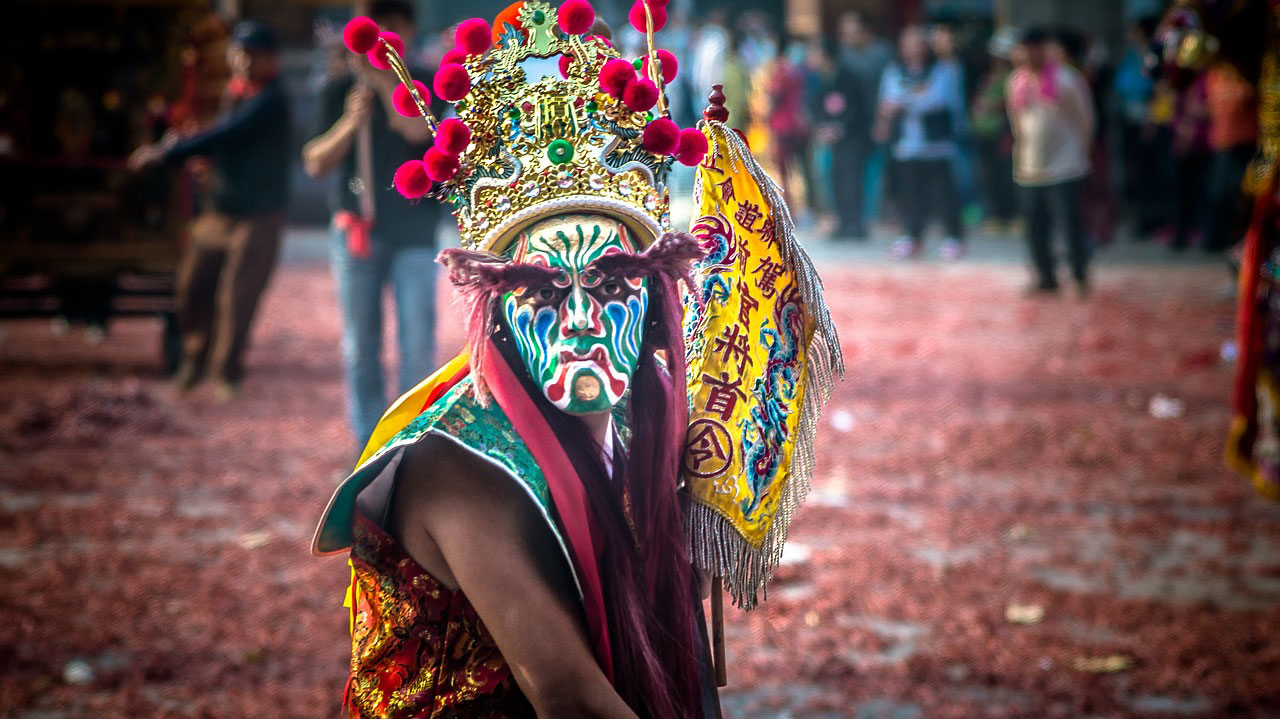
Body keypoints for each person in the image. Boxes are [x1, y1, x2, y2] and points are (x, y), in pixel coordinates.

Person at [311, 6, 838, 717]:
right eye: (547, 289)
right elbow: (569, 696)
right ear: (498, 310)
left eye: (615, 283)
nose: (584, 318)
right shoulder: (455, 467)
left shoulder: (644, 425)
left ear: (656, 307)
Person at [302, 0, 443, 450]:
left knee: (418, 343)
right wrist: (349, 121)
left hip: (415, 233)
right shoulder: (337, 89)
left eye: (392, 24)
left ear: (408, 28)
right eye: (374, 24)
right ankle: (369, 442)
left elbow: (420, 134)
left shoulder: (422, 83)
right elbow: (315, 162)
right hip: (357, 231)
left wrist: (387, 85)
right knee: (361, 347)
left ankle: (411, 439)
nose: (383, 34)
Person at [129, 20, 290, 398]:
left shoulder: (271, 100)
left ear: (269, 60)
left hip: (259, 215)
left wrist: (169, 151)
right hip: (220, 212)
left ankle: (226, 374)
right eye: (241, 54)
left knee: (237, 298)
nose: (245, 62)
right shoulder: (237, 94)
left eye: (254, 55)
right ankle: (193, 360)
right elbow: (223, 135)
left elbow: (227, 133)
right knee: (192, 286)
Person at [1006, 27, 1095, 296]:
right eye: (1023, 47)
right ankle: (1046, 277)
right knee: (1034, 227)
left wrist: (1080, 152)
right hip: (1029, 166)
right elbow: (1016, 122)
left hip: (1064, 166)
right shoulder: (1016, 82)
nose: (1028, 53)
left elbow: (1085, 120)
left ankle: (1079, 276)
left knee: (1069, 225)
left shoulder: (1066, 80)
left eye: (1034, 47)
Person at [875, 24, 966, 260]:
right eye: (908, 43)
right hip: (906, 144)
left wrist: (904, 101)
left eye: (918, 43)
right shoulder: (895, 70)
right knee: (910, 194)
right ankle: (913, 236)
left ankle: (953, 237)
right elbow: (887, 100)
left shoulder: (943, 70)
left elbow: (938, 100)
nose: (913, 48)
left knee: (943, 193)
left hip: (937, 144)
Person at [836, 10, 891, 235]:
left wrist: (883, 120)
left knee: (884, 170)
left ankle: (886, 215)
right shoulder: (843, 56)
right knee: (850, 173)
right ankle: (854, 220)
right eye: (844, 33)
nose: (847, 38)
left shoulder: (882, 55)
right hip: (854, 124)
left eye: (852, 32)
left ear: (866, 31)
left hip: (883, 120)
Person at [1204, 59, 1258, 253]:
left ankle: (1242, 240)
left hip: (1245, 143)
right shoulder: (1215, 72)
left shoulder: (1245, 71)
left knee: (1241, 192)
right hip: (1222, 143)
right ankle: (1224, 239)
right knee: (1218, 192)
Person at [970, 28, 1018, 231]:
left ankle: (1013, 214)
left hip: (1005, 133)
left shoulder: (1014, 77)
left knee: (1007, 173)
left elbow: (1011, 102)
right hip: (985, 134)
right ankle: (997, 214)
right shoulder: (987, 76)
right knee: (989, 175)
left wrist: (992, 105)